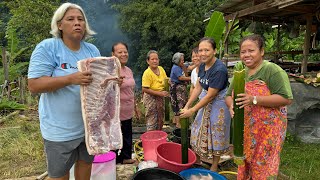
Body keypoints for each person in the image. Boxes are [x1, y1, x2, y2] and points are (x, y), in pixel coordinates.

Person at [28, 3, 100, 180]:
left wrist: (113, 81)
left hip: (88, 128)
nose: (77, 23)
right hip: (59, 131)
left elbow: (98, 85)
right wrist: (71, 79)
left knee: (85, 164)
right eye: (71, 19)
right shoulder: (48, 48)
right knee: (60, 175)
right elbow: (34, 85)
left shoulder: (92, 51)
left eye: (81, 19)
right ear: (59, 25)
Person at [225, 34, 293, 179]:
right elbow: (228, 95)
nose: (246, 55)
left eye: (251, 50)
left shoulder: (272, 70)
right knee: (246, 160)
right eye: (243, 52)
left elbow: (286, 99)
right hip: (247, 128)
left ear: (261, 51)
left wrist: (254, 99)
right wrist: (231, 106)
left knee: (263, 163)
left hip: (268, 130)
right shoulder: (240, 72)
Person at [180, 37, 231, 172]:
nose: (203, 53)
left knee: (217, 131)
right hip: (206, 97)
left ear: (214, 51)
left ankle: (214, 165)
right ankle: (197, 161)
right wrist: (187, 105)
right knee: (197, 127)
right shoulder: (202, 65)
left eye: (207, 50)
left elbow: (210, 95)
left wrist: (192, 110)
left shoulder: (219, 70)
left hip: (219, 101)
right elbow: (198, 87)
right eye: (200, 50)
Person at [111, 42, 136, 164]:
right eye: (120, 52)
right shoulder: (110, 71)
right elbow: (103, 91)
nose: (123, 54)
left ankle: (126, 157)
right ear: (113, 54)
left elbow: (131, 89)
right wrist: (114, 85)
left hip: (128, 109)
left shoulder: (128, 70)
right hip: (115, 111)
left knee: (127, 133)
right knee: (114, 135)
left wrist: (135, 106)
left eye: (125, 51)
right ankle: (113, 159)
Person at [142, 50, 169, 131]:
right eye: (152, 59)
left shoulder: (161, 69)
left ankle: (159, 135)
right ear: (148, 61)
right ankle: (151, 137)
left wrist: (170, 81)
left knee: (160, 117)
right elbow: (144, 88)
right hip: (151, 97)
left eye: (156, 59)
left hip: (160, 96)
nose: (155, 61)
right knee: (152, 118)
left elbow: (165, 79)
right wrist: (159, 94)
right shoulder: (147, 73)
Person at [170, 52, 191, 128]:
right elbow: (181, 78)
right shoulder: (176, 68)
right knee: (179, 105)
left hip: (181, 88)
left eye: (183, 60)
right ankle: (178, 124)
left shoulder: (180, 66)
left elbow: (190, 67)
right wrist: (191, 78)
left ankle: (177, 122)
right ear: (177, 60)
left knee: (181, 103)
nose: (183, 61)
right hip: (177, 89)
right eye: (181, 60)